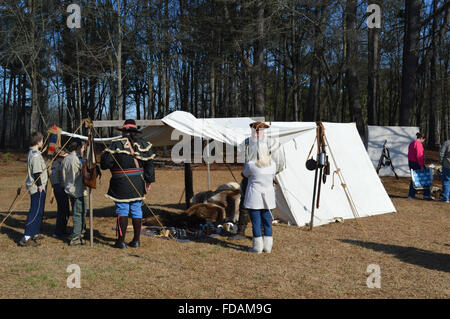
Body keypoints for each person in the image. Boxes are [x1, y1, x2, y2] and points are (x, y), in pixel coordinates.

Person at [100, 119, 155, 249]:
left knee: (122, 210)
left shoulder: (116, 144)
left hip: (121, 183)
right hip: (138, 183)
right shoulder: (143, 144)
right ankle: (136, 241)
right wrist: (148, 181)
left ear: (124, 131)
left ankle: (121, 242)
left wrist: (104, 155)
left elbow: (105, 165)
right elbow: (150, 165)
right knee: (136, 210)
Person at [228, 121, 285, 241]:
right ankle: (241, 231)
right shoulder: (247, 143)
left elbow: (280, 162)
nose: (256, 132)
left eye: (259, 130)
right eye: (254, 130)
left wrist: (269, 174)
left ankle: (265, 234)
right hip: (249, 178)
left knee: (266, 206)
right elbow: (242, 158)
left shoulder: (272, 143)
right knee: (244, 204)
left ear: (264, 130)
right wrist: (249, 172)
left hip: (266, 179)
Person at [242, 143, 277, 253]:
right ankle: (267, 247)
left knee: (256, 223)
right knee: (267, 222)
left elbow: (244, 174)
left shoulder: (251, 165)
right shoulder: (273, 164)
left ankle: (257, 248)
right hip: (269, 198)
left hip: (254, 198)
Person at [19, 132, 48, 247]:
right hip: (37, 188)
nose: (42, 142)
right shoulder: (35, 154)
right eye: (41, 140)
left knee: (39, 211)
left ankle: (34, 233)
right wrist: (40, 186)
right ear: (38, 141)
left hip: (39, 187)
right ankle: (26, 237)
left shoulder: (35, 153)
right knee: (35, 212)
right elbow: (36, 172)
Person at [62, 138, 88, 246]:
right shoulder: (76, 160)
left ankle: (80, 232)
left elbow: (63, 176)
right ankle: (76, 236)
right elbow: (83, 175)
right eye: (82, 148)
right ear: (78, 148)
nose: (83, 150)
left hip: (69, 189)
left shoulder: (65, 159)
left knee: (80, 211)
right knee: (78, 213)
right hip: (77, 190)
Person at [49, 148, 70, 238]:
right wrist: (58, 189)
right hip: (59, 189)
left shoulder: (60, 164)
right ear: (59, 157)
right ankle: (58, 231)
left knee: (66, 211)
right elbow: (54, 179)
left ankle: (63, 229)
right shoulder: (55, 165)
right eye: (63, 157)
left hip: (62, 189)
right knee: (62, 211)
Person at [407, 132, 432, 200]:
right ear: (421, 138)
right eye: (424, 140)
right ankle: (426, 194)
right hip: (417, 163)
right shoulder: (418, 144)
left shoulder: (412, 143)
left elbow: (409, 154)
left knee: (414, 179)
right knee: (425, 178)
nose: (423, 141)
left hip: (411, 162)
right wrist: (421, 165)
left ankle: (411, 194)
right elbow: (419, 156)